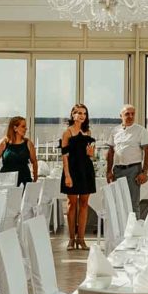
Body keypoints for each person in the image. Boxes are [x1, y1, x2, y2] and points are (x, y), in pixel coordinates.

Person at [106, 104, 148, 219]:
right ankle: (121, 232)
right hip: (118, 170)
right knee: (118, 203)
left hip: (133, 171)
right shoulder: (114, 131)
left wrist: (144, 172)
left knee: (133, 203)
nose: (130, 116)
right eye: (127, 114)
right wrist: (108, 171)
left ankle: (134, 232)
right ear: (120, 115)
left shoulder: (141, 130)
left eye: (133, 114)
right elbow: (111, 151)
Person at [60, 104, 96, 251]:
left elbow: (91, 155)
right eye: (79, 113)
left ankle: (81, 240)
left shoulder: (88, 132)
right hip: (72, 171)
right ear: (73, 115)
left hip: (86, 170)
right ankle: (71, 239)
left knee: (84, 204)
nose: (82, 116)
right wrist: (67, 175)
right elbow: (64, 156)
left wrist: (91, 151)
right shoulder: (67, 133)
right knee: (71, 204)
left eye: (84, 113)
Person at [0, 115, 38, 187]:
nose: (26, 129)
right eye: (23, 126)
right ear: (15, 128)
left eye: (25, 126)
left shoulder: (28, 143)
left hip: (24, 179)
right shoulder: (4, 143)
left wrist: (35, 178)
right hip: (6, 181)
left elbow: (34, 162)